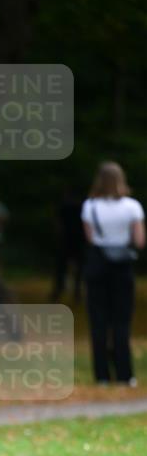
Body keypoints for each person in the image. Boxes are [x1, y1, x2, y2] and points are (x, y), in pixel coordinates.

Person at [81, 161, 145, 386]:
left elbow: (90, 238)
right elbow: (139, 240)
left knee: (98, 321)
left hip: (98, 264)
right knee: (121, 320)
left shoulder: (90, 206)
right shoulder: (132, 206)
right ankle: (125, 374)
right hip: (122, 266)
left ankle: (101, 375)